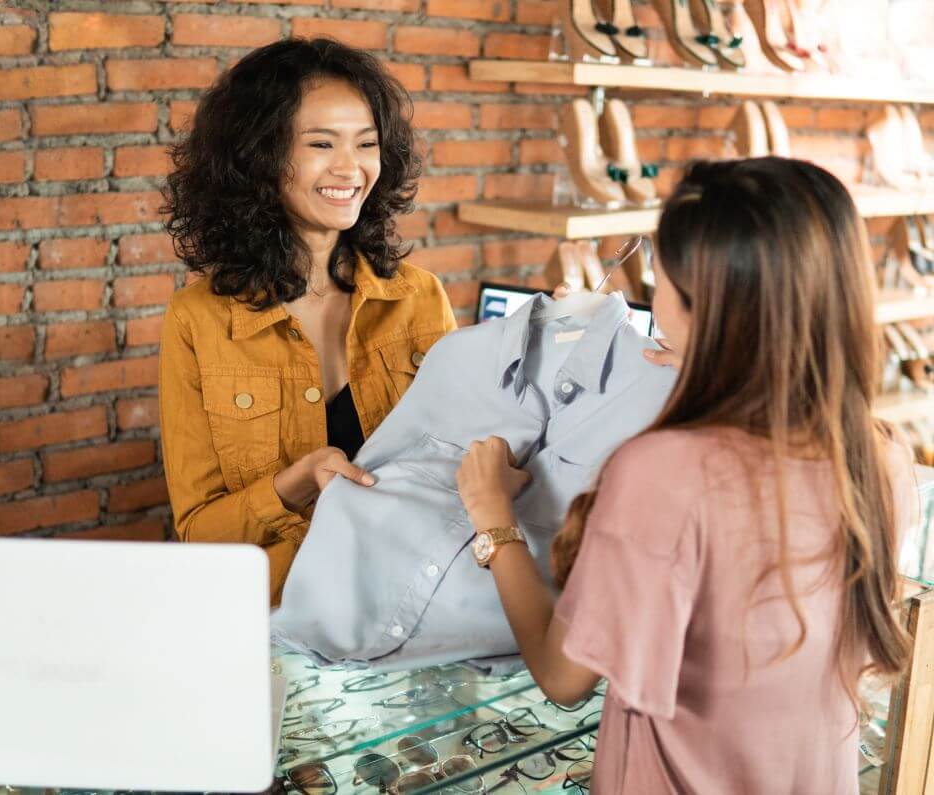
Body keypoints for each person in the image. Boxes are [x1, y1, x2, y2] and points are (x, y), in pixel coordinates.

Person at [455, 157, 918, 793]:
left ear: (703, 305)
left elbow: (564, 678)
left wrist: (494, 521)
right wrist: (705, 369)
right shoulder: (880, 460)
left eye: (663, 281)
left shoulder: (665, 474)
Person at [158, 39, 456, 605]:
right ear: (259, 158)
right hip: (279, 624)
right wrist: (297, 481)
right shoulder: (197, 321)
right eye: (322, 144)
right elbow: (199, 531)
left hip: (414, 604)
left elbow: (461, 469)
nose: (350, 169)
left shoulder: (420, 298)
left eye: (366, 144)